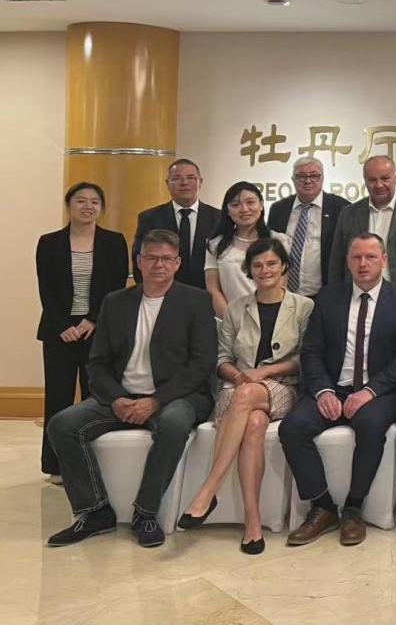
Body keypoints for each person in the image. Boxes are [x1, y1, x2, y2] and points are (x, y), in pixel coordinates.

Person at [46, 229, 216, 548]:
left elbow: (201, 364)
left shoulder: (196, 301)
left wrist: (156, 401)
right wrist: (117, 399)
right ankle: (94, 512)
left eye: (166, 259)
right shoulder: (116, 302)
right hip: (121, 396)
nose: (158, 265)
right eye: (151, 258)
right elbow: (97, 363)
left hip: (175, 397)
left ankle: (146, 513)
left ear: (177, 263)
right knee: (62, 424)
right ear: (138, 262)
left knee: (174, 423)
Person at [178, 238, 313, 554]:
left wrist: (263, 373)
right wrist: (240, 376)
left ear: (284, 267)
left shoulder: (304, 306)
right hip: (238, 389)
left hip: (283, 388)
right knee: (254, 424)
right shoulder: (237, 308)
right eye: (257, 265)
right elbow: (221, 358)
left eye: (271, 264)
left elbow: (305, 358)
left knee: (248, 396)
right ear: (249, 270)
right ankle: (253, 523)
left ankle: (208, 490)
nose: (265, 270)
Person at [279, 233, 396, 547]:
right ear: (348, 262)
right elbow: (312, 352)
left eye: (371, 257)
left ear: (384, 260)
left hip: (380, 391)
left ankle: (354, 508)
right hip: (333, 388)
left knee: (370, 425)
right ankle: (323, 507)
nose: (363, 263)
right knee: (292, 428)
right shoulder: (327, 297)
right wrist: (324, 391)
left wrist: (370, 391)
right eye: (357, 257)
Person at [36, 183, 129, 483]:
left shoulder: (114, 242)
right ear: (69, 205)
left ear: (101, 207)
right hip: (59, 331)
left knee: (96, 398)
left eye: (94, 202)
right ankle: (56, 465)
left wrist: (93, 320)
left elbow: (116, 286)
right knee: (58, 397)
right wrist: (62, 325)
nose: (88, 206)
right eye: (80, 201)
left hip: (98, 330)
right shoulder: (49, 242)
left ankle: (95, 462)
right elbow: (46, 288)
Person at [329, 155, 396, 287]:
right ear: (365, 181)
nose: (379, 185)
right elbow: (337, 262)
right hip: (358, 295)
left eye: (385, 178)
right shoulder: (349, 213)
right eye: (372, 180)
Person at [268, 157, 351, 298]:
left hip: (326, 294)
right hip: (283, 294)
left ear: (322, 178)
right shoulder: (279, 209)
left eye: (314, 176)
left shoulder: (342, 208)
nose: (308, 181)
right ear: (293, 179)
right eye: (301, 176)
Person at [205, 181, 289, 319]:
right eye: (235, 205)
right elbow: (213, 288)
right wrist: (232, 321)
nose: (244, 209)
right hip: (230, 319)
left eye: (250, 202)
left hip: (271, 317)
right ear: (227, 210)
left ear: (261, 205)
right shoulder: (215, 244)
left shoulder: (280, 240)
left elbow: (281, 284)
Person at [133, 159, 221, 289]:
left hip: (207, 293)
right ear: (167, 183)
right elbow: (140, 259)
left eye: (190, 178)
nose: (184, 183)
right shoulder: (150, 217)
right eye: (177, 178)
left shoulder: (218, 217)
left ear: (200, 182)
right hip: (163, 292)